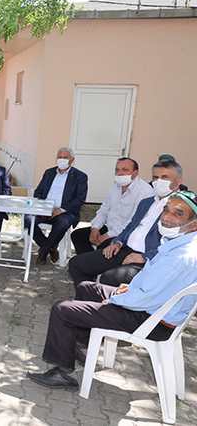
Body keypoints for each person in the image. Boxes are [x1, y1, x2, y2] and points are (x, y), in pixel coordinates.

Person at [26, 191, 197, 390]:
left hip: (150, 320)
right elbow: (151, 284)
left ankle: (62, 371)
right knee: (87, 288)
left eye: (178, 214)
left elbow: (145, 297)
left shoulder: (180, 257)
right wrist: (128, 289)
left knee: (62, 310)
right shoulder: (179, 244)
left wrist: (115, 299)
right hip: (153, 308)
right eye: (166, 210)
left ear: (193, 224)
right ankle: (78, 346)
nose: (167, 217)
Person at [68, 158, 184, 288]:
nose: (158, 181)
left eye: (165, 177)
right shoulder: (147, 202)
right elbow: (130, 225)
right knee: (76, 264)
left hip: (147, 258)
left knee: (109, 278)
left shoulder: (182, 208)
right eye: (155, 177)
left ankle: (100, 295)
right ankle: (89, 295)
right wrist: (117, 242)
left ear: (178, 181)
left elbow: (180, 243)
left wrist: (145, 256)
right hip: (124, 248)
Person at [70, 157, 153, 255]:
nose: (120, 173)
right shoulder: (116, 186)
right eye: (117, 170)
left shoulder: (144, 191)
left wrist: (107, 236)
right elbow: (104, 209)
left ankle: (92, 260)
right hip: (110, 228)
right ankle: (86, 261)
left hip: (126, 234)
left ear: (135, 173)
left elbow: (134, 222)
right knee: (77, 235)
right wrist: (95, 228)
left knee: (104, 246)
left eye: (125, 170)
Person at [25, 147, 88, 264]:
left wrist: (61, 210)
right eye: (59, 157)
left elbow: (80, 199)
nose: (61, 159)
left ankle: (43, 251)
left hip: (65, 212)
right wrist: (44, 207)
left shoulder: (80, 176)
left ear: (72, 160)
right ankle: (50, 248)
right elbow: (38, 192)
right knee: (28, 219)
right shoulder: (49, 172)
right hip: (44, 209)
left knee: (62, 222)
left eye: (65, 157)